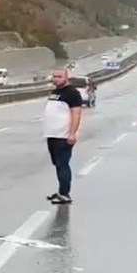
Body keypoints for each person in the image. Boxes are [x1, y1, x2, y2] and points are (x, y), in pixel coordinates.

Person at [43, 68, 84, 204]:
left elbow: (76, 114)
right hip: (52, 134)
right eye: (54, 76)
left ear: (66, 77)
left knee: (63, 164)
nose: (56, 79)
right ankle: (61, 191)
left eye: (59, 76)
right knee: (57, 164)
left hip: (63, 135)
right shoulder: (55, 92)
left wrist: (72, 133)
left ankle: (65, 194)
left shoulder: (72, 93)